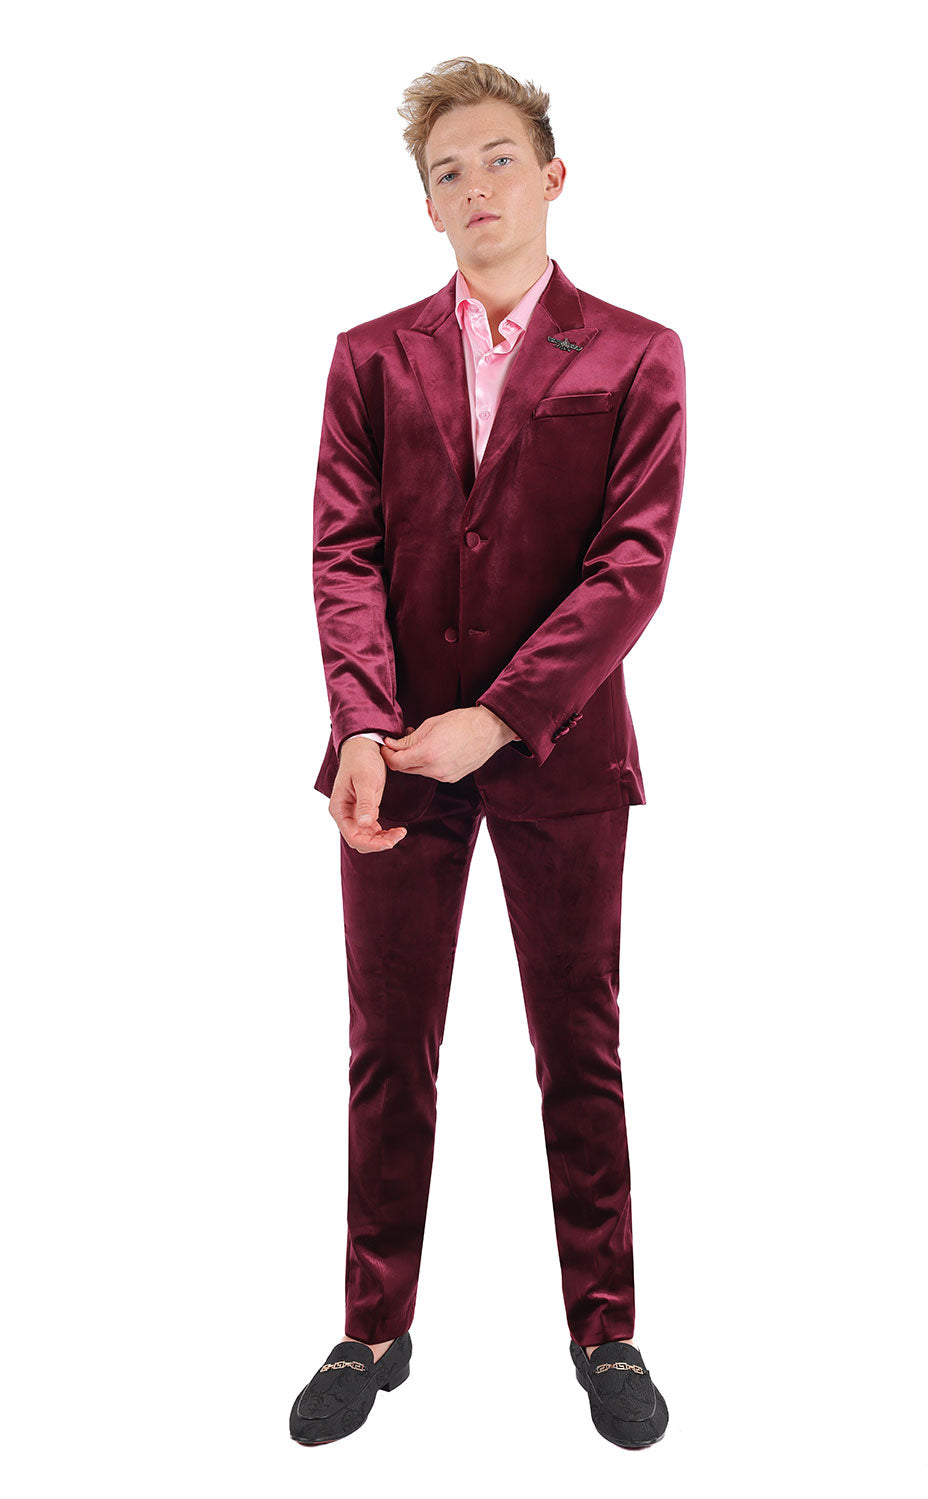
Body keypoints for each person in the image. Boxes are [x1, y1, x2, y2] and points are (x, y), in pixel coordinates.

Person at [289, 55, 686, 1451]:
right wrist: (364, 726)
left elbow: (631, 567)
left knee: (580, 1044)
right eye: (447, 171)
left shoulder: (636, 354)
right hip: (394, 759)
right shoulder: (368, 358)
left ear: (552, 175)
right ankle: (372, 1323)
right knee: (386, 1046)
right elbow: (344, 553)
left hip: (561, 755)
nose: (475, 187)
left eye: (499, 159)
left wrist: (502, 718)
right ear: (427, 204)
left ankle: (606, 1330)